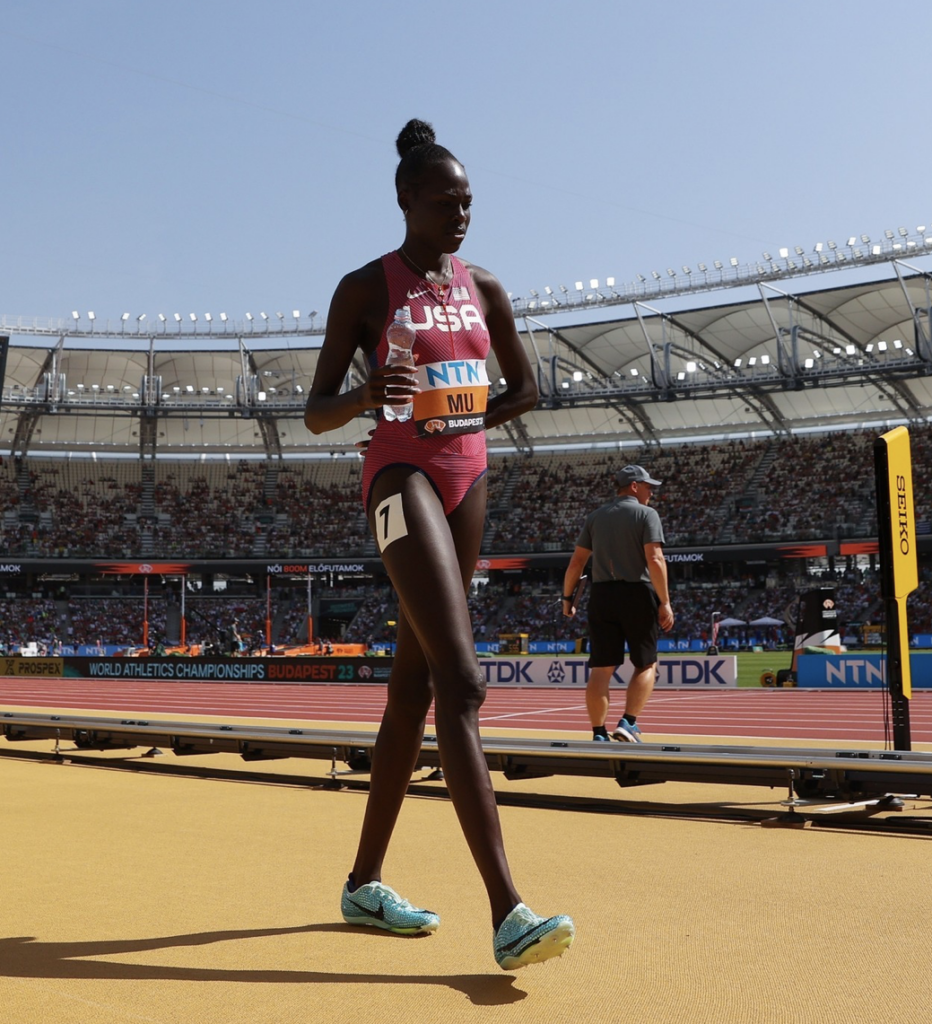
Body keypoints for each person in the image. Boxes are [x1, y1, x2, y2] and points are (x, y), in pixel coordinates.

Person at [304, 118, 574, 970]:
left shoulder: (485, 285)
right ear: (405, 199)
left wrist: (469, 416)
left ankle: (363, 882)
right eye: (446, 201)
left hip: (468, 476)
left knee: (412, 689)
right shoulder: (365, 288)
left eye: (469, 202)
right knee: (461, 681)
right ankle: (509, 909)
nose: (461, 214)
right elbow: (315, 412)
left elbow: (527, 387)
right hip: (399, 476)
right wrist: (364, 395)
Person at [562, 464, 674, 743]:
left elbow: (577, 561)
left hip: (601, 596)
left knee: (602, 668)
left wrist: (567, 598)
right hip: (637, 592)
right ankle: (629, 722)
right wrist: (665, 602)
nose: (652, 492)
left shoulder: (596, 517)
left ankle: (599, 733)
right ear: (634, 486)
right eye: (648, 486)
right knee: (646, 664)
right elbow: (656, 560)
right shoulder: (646, 514)